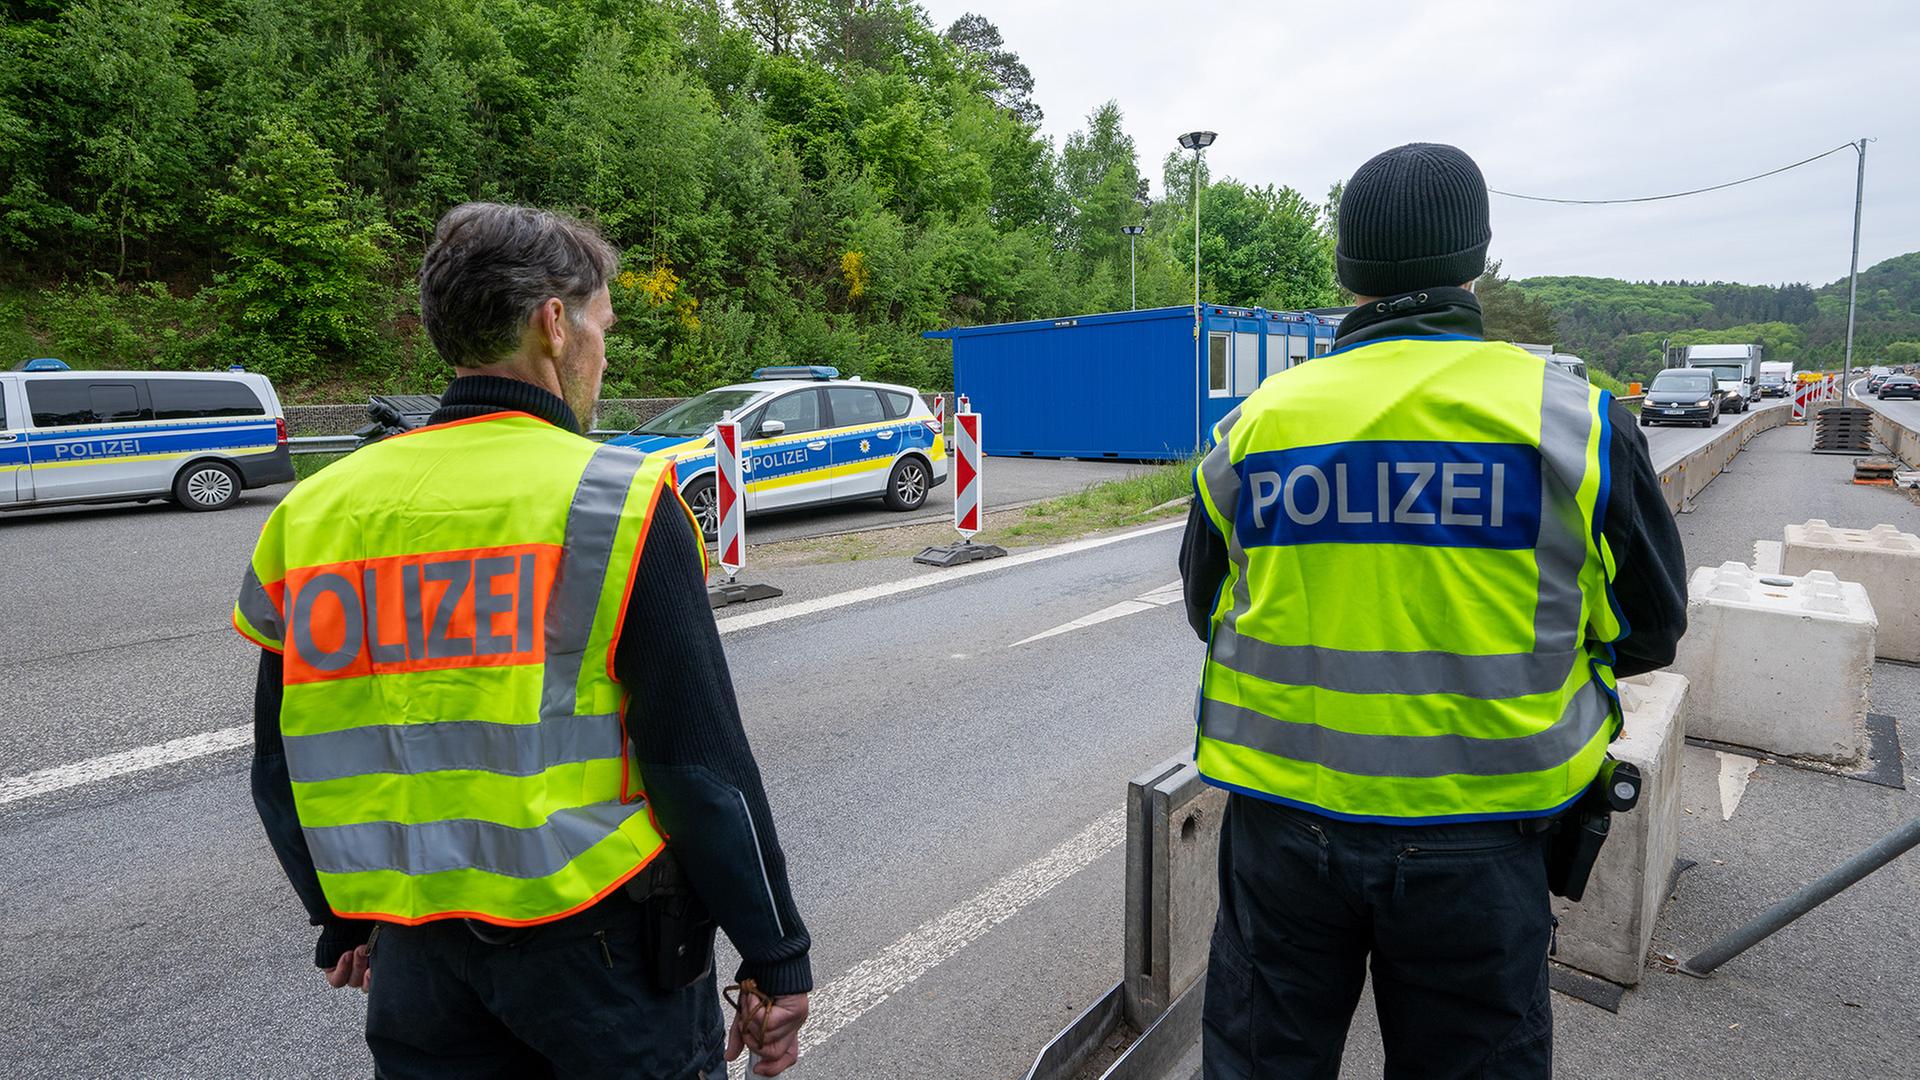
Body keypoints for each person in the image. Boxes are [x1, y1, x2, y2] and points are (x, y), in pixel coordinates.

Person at [235, 203, 811, 1079]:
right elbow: (699, 766)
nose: (603, 352)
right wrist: (776, 956)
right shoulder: (614, 498)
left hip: (416, 953)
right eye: (602, 324)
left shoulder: (316, 512)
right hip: (600, 955)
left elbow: (281, 762)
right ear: (554, 322)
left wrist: (339, 915)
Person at [1181, 143, 1687, 1078]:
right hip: (1486, 842)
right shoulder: (1576, 421)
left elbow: (1205, 605)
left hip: (1284, 836)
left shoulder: (1260, 422)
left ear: (1346, 269)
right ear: (1477, 258)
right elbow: (1651, 628)